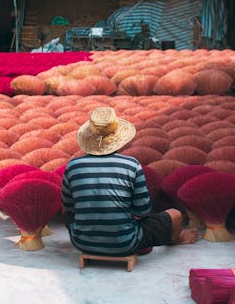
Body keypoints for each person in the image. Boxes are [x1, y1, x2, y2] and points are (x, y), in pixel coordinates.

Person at [61, 107, 198, 257]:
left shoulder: (73, 165)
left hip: (82, 243)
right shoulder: (131, 165)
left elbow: (69, 207)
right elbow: (143, 211)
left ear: (89, 136)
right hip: (126, 243)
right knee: (175, 214)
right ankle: (174, 239)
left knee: (67, 213)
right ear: (118, 138)